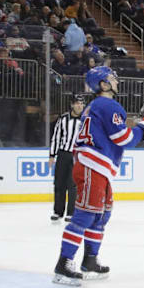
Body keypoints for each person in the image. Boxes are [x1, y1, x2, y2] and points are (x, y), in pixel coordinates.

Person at [53, 66, 144, 286]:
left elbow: (115, 134)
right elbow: (124, 138)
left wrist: (139, 127)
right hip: (93, 164)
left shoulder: (97, 106)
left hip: (97, 166)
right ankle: (64, 264)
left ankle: (90, 260)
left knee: (102, 214)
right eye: (113, 79)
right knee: (85, 214)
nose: (117, 81)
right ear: (103, 84)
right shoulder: (107, 104)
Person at [49, 95, 85, 223]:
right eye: (77, 103)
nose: (79, 106)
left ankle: (71, 212)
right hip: (63, 154)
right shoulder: (64, 118)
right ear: (72, 105)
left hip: (77, 156)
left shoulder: (86, 120)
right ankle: (58, 211)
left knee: (73, 185)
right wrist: (52, 155)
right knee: (59, 184)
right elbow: (56, 137)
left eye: (81, 103)